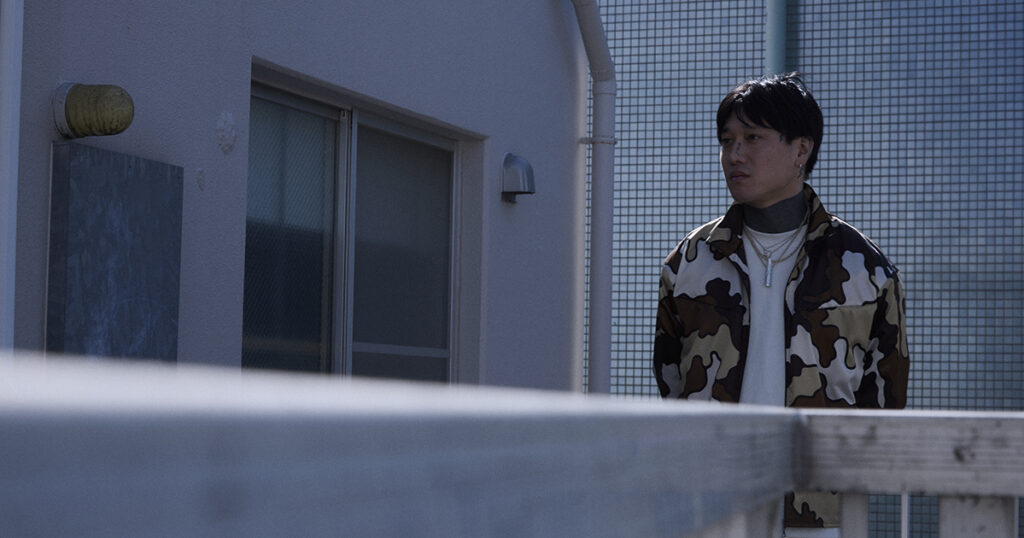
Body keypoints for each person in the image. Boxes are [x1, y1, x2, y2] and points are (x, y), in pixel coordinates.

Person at [653, 73, 909, 536]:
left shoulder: (864, 268)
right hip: (711, 504)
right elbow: (671, 381)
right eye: (727, 140)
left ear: (800, 150)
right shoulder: (691, 261)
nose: (734, 154)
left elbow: (885, 400)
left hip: (817, 512)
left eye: (753, 138)